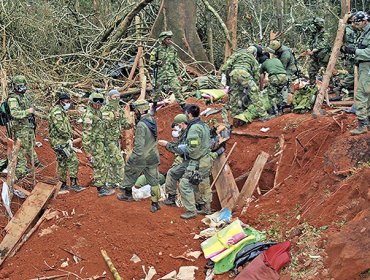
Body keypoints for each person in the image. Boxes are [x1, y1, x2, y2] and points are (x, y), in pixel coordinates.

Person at [116, 99, 161, 213]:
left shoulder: (141, 125)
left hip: (142, 156)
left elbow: (139, 145)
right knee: (154, 180)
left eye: (135, 110)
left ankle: (127, 194)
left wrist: (133, 158)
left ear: (139, 111)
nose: (134, 113)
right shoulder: (152, 120)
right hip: (153, 155)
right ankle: (155, 204)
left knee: (129, 171)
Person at [177, 104, 211, 219]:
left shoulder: (194, 128)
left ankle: (191, 210)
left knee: (185, 184)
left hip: (197, 161)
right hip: (206, 160)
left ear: (189, 114)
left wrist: (184, 149)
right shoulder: (204, 125)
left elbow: (193, 148)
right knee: (203, 184)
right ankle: (206, 208)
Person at [222, 47, 269, 127]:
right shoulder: (253, 59)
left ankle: (235, 115)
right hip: (244, 74)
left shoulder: (236, 55)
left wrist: (228, 81)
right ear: (254, 53)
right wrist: (255, 86)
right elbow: (256, 74)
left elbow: (226, 67)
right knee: (255, 95)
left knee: (234, 95)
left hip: (233, 74)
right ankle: (263, 115)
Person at [48, 90, 85, 192]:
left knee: (63, 162)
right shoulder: (57, 112)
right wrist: (68, 137)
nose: (68, 103)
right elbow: (61, 128)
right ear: (61, 101)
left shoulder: (60, 110)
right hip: (60, 142)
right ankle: (73, 184)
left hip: (59, 141)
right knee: (73, 160)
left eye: (69, 101)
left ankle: (62, 184)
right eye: (66, 101)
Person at [8, 75, 42, 179]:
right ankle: (19, 172)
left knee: (30, 145)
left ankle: (35, 162)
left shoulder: (23, 96)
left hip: (28, 126)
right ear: (14, 86)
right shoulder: (13, 98)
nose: (22, 88)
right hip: (20, 128)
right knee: (22, 149)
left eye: (23, 86)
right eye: (19, 87)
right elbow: (14, 113)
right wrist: (28, 111)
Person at [341, 11, 370, 135]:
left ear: (364, 21)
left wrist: (355, 50)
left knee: (361, 94)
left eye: (357, 23)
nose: (355, 25)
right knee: (366, 93)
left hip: (368, 65)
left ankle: (362, 124)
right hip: (364, 65)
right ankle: (367, 121)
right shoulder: (364, 32)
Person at [82, 92, 114, 197]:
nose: (98, 104)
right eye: (96, 102)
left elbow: (102, 127)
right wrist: (87, 153)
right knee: (99, 165)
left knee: (103, 164)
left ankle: (103, 185)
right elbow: (86, 135)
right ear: (91, 102)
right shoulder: (89, 115)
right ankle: (100, 188)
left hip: (100, 142)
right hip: (94, 144)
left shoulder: (98, 112)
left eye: (100, 103)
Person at [101, 89, 131, 189]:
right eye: (115, 97)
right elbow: (102, 125)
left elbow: (124, 124)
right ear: (109, 98)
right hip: (108, 140)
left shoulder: (119, 109)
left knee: (112, 161)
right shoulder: (105, 110)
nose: (117, 99)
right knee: (119, 161)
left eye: (118, 97)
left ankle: (112, 182)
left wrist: (131, 124)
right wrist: (112, 117)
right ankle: (122, 183)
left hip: (116, 139)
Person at [150, 31, 185, 111]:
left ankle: (183, 106)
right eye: (167, 39)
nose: (169, 41)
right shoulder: (157, 50)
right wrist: (156, 63)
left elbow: (175, 63)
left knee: (176, 88)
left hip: (171, 73)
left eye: (170, 39)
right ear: (163, 39)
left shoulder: (173, 50)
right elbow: (151, 63)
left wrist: (178, 74)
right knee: (156, 92)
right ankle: (154, 107)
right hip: (160, 74)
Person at [158, 113, 189, 206]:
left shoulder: (189, 134)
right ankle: (171, 198)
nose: (177, 127)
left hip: (192, 161)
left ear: (183, 123)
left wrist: (167, 145)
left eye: (178, 125)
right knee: (172, 172)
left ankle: (195, 205)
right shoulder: (184, 133)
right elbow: (178, 145)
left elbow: (180, 149)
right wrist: (168, 143)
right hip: (187, 160)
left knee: (179, 176)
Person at [304, 17, 331, 83]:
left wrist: (315, 49)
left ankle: (331, 86)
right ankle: (312, 84)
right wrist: (308, 48)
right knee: (311, 70)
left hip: (323, 56)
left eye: (317, 24)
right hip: (314, 56)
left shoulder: (325, 33)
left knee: (327, 71)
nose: (316, 26)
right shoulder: (314, 33)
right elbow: (309, 41)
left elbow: (324, 43)